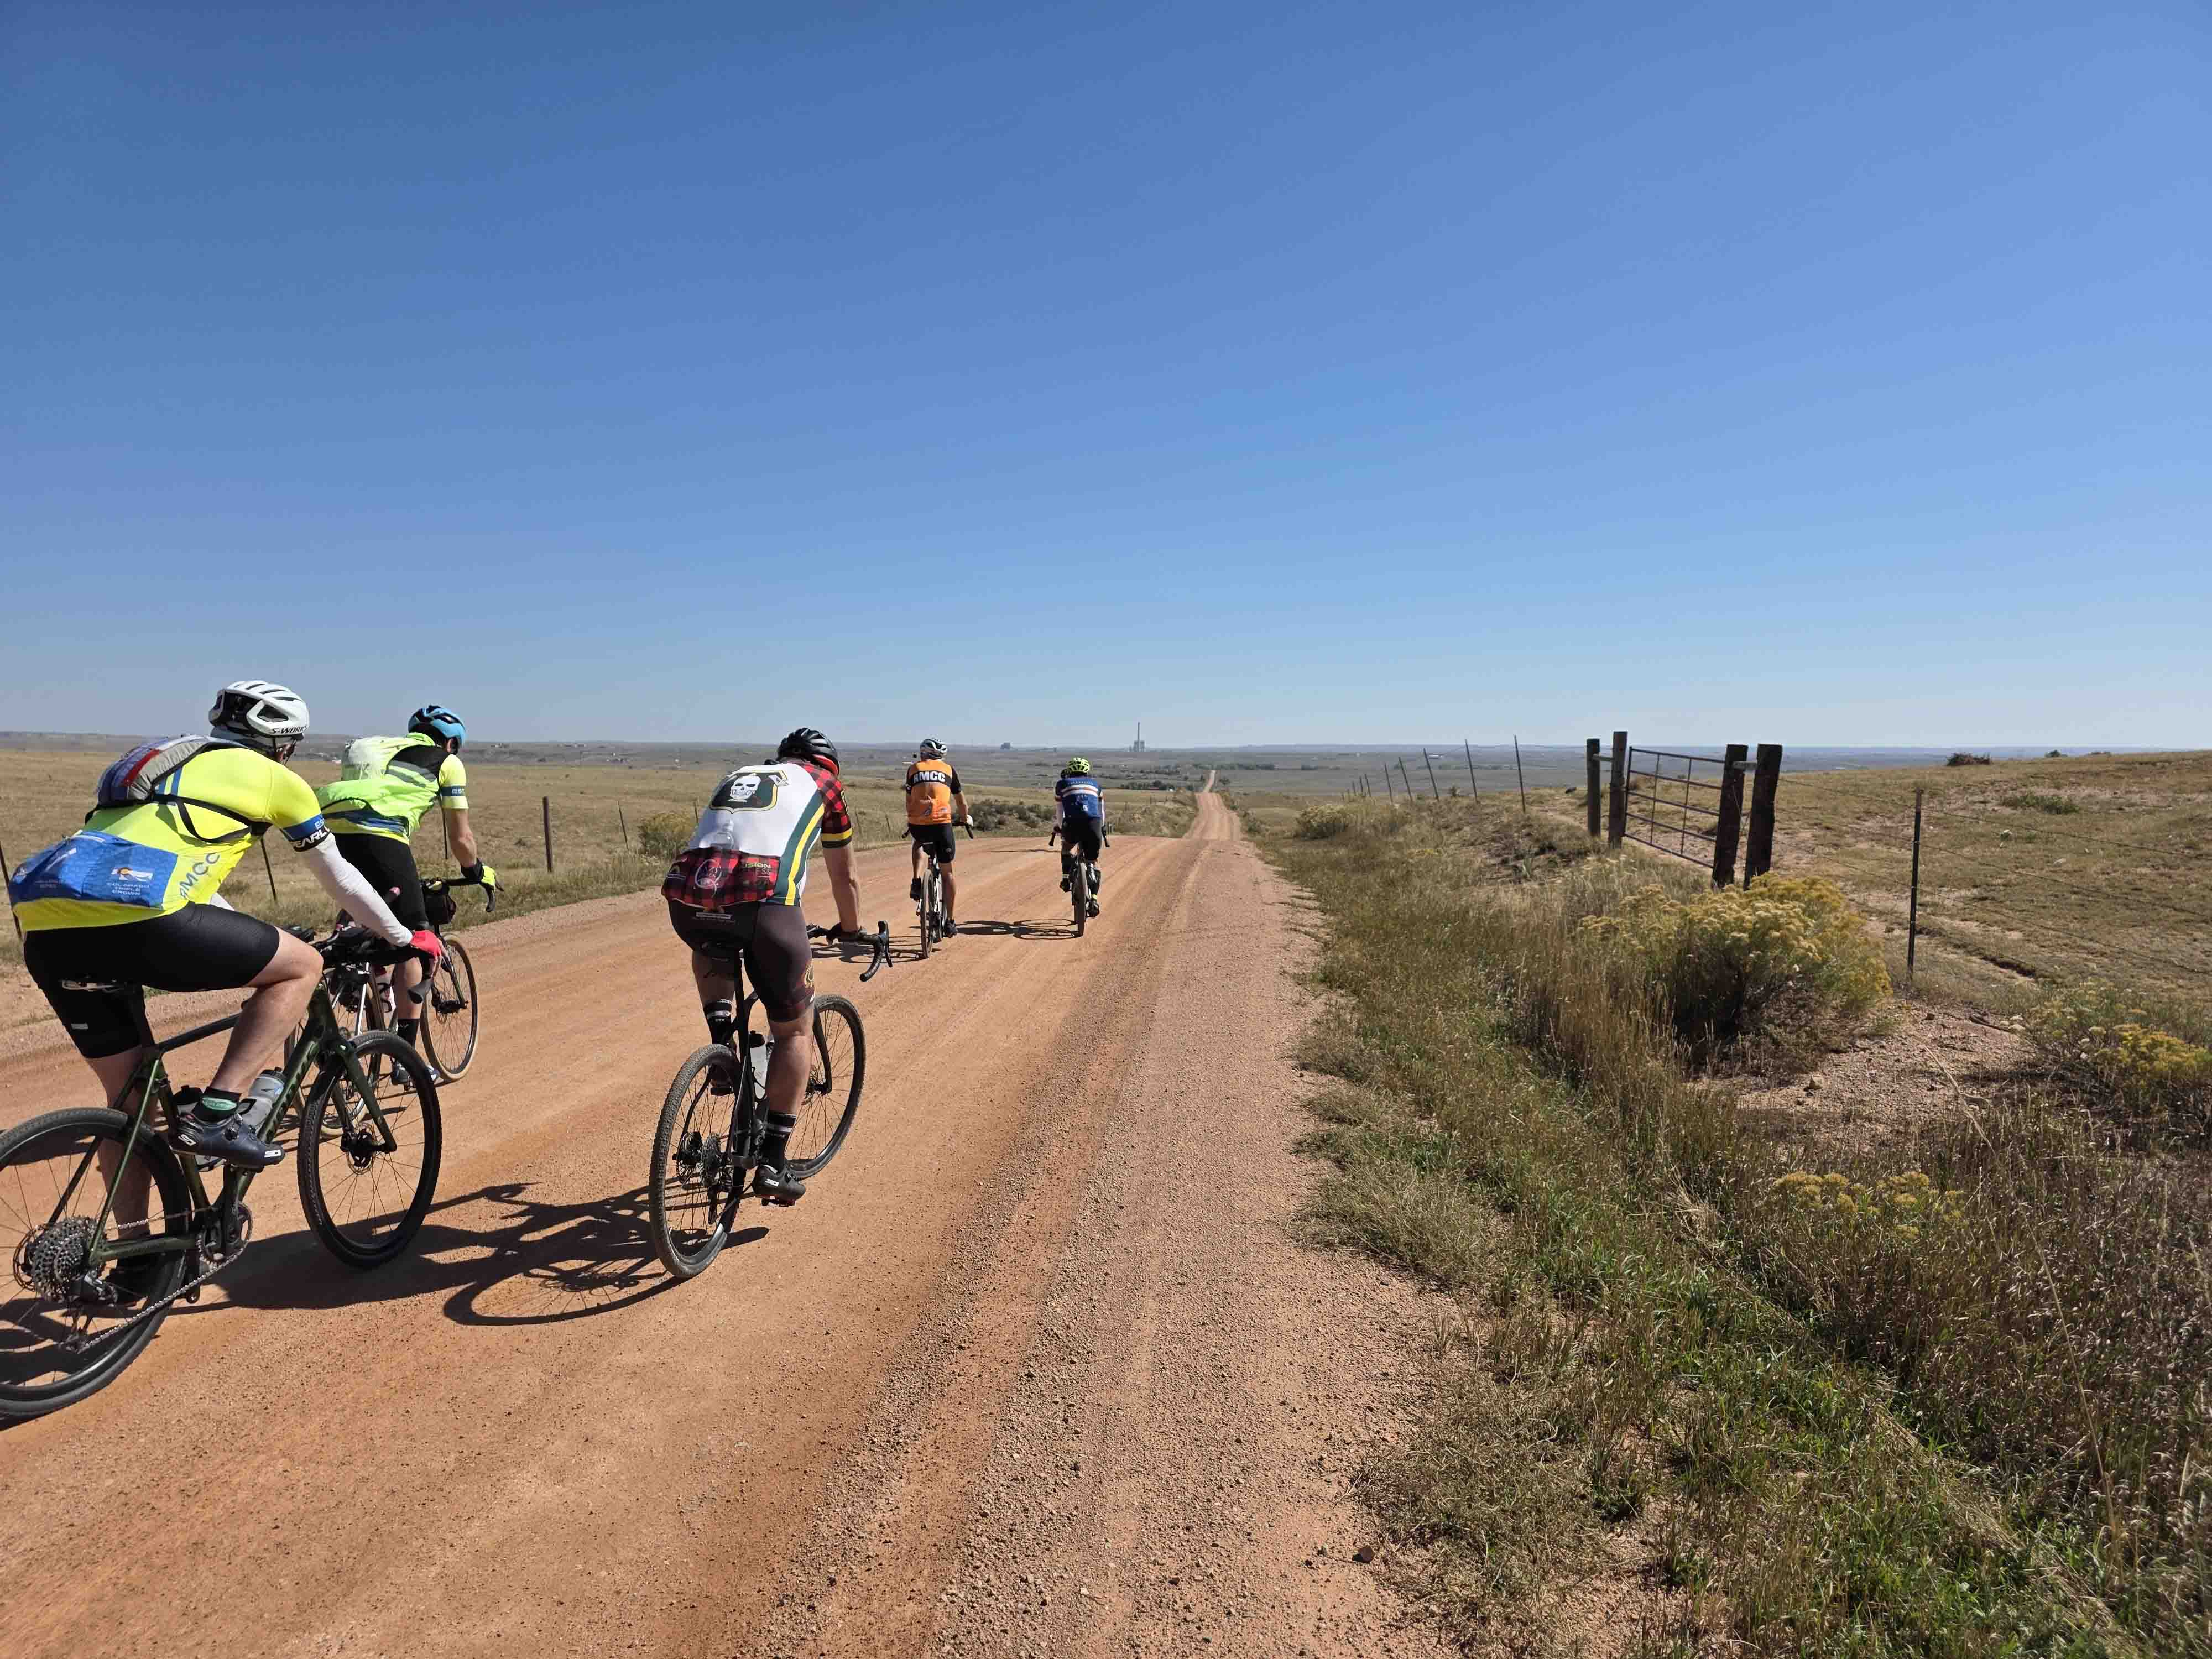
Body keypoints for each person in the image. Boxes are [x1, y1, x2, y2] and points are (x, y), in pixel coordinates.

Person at [7, 681, 434, 1173]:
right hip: (143, 918)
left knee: (131, 1113)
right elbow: (341, 877)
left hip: (45, 925)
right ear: (283, 744)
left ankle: (149, 1224)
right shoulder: (275, 779)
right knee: (303, 966)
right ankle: (217, 1115)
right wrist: (403, 937)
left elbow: (176, 874)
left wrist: (249, 932)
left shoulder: (161, 758)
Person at [661, 727, 864, 1204]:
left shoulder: (740, 774)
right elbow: (846, 876)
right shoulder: (825, 784)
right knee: (793, 1031)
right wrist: (852, 930)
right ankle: (773, 1162)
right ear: (827, 766)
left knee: (712, 936)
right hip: (765, 900)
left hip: (688, 896)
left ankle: (722, 1048)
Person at [314, 705, 495, 1061]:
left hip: (330, 833)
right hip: (382, 836)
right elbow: (461, 839)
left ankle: (369, 980)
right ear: (451, 743)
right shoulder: (447, 762)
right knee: (415, 942)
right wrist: (476, 870)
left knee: (365, 916)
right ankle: (405, 1060)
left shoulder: (384, 749)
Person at [903, 738, 971, 935]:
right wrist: (964, 819)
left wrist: (913, 817)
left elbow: (909, 799)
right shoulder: (949, 771)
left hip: (918, 823)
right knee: (948, 873)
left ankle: (916, 880)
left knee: (918, 843)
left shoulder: (913, 769)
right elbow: (962, 803)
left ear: (923, 754)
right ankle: (950, 921)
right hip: (942, 825)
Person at [1053, 755, 1107, 916]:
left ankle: (1065, 878)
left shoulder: (1062, 784)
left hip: (1072, 823)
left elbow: (1060, 811)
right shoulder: (1096, 785)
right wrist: (1102, 827)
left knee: (1066, 848)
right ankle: (1094, 899)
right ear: (1087, 771)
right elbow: (1101, 811)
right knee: (1094, 862)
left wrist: (1060, 827)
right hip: (1094, 824)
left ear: (1069, 771)